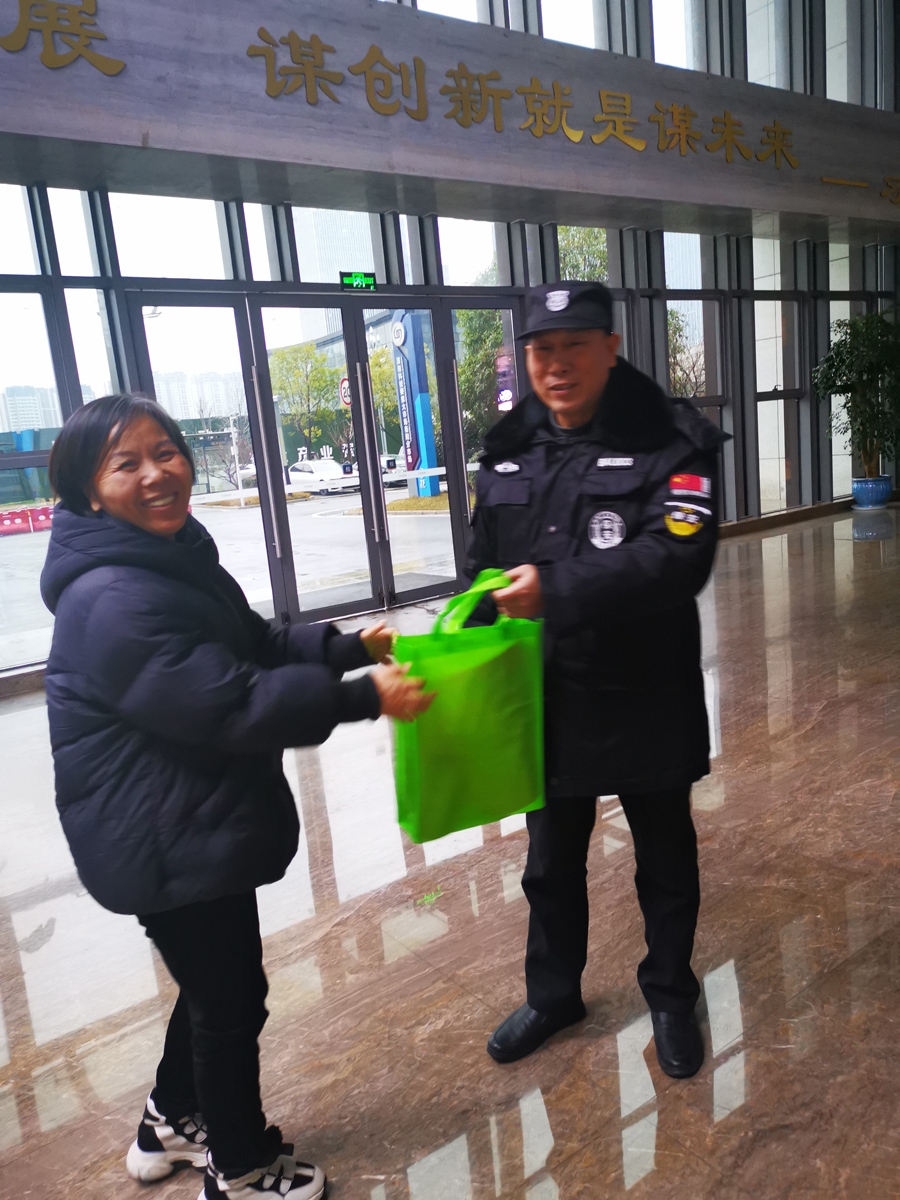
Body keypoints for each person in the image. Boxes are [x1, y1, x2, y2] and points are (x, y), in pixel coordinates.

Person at [40, 395, 433, 1200]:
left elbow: (253, 644)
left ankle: (171, 1121)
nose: (158, 474)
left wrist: (348, 646)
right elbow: (231, 702)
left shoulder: (169, 556)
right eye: (126, 463)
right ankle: (239, 1166)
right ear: (87, 493)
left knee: (214, 987)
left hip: (184, 817)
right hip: (158, 835)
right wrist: (363, 696)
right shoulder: (113, 597)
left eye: (166, 452)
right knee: (229, 1002)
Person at [467, 282, 725, 1078]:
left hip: (647, 689)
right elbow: (482, 568)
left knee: (665, 857)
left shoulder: (671, 441)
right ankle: (553, 996)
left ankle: (671, 995)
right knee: (549, 863)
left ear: (610, 348)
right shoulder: (508, 448)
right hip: (549, 697)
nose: (557, 364)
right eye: (542, 349)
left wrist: (556, 589)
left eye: (575, 345)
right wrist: (461, 653)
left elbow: (679, 557)